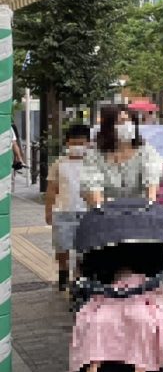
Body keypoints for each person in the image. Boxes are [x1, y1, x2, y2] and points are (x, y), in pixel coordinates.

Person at [80, 104, 163, 208]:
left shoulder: (147, 152)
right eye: (121, 121)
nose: (128, 125)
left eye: (131, 121)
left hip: (139, 213)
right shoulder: (94, 155)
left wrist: (149, 203)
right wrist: (102, 206)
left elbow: (151, 182)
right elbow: (91, 187)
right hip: (104, 215)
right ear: (108, 127)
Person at [44, 124, 91, 292]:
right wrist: (48, 210)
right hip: (63, 212)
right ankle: (63, 271)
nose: (77, 146)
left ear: (88, 143)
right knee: (62, 246)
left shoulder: (93, 163)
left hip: (86, 213)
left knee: (82, 248)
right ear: (67, 143)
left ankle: (78, 277)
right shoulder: (59, 163)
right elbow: (51, 188)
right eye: (73, 143)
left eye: (81, 142)